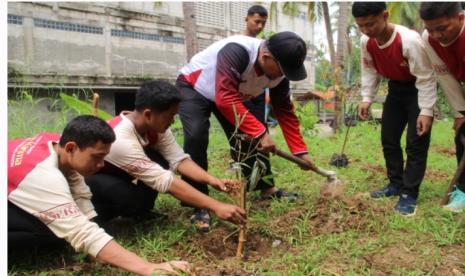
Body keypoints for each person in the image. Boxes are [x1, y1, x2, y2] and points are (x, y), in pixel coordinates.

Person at [8, 115, 189, 275]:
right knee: (52, 229)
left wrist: (95, 249)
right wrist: (148, 268)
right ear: (71, 148)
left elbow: (79, 191)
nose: (102, 164)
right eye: (96, 157)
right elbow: (81, 232)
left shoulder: (56, 144)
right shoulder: (43, 175)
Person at [176, 31, 314, 229]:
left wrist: (300, 151)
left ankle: (264, 187)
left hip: (230, 95)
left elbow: (284, 110)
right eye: (282, 69)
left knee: (251, 137)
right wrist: (259, 133)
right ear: (266, 57)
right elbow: (225, 98)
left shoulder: (278, 73)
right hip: (195, 87)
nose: (283, 75)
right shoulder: (237, 52)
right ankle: (198, 203)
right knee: (196, 134)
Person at [85, 81, 247, 233]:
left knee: (159, 159)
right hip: (94, 183)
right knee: (124, 195)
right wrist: (216, 206)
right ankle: (101, 219)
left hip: (123, 174)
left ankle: (141, 210)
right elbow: (164, 181)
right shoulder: (120, 138)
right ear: (148, 114)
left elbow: (179, 159)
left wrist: (212, 180)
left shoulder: (155, 128)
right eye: (170, 115)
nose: (173, 120)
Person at [352, 2, 437, 216]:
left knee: (415, 143)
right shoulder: (366, 42)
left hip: (417, 89)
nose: (366, 30)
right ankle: (395, 184)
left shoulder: (408, 40)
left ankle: (409, 194)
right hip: (395, 90)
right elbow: (369, 69)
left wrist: (426, 110)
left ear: (385, 15)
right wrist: (366, 97)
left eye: (370, 24)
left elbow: (426, 77)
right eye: (361, 26)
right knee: (389, 139)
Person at [420, 2, 465, 212]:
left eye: (443, 28)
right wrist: (460, 112)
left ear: (461, 18)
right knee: (462, 135)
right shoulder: (428, 40)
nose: (436, 35)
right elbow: (444, 75)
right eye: (431, 29)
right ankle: (462, 192)